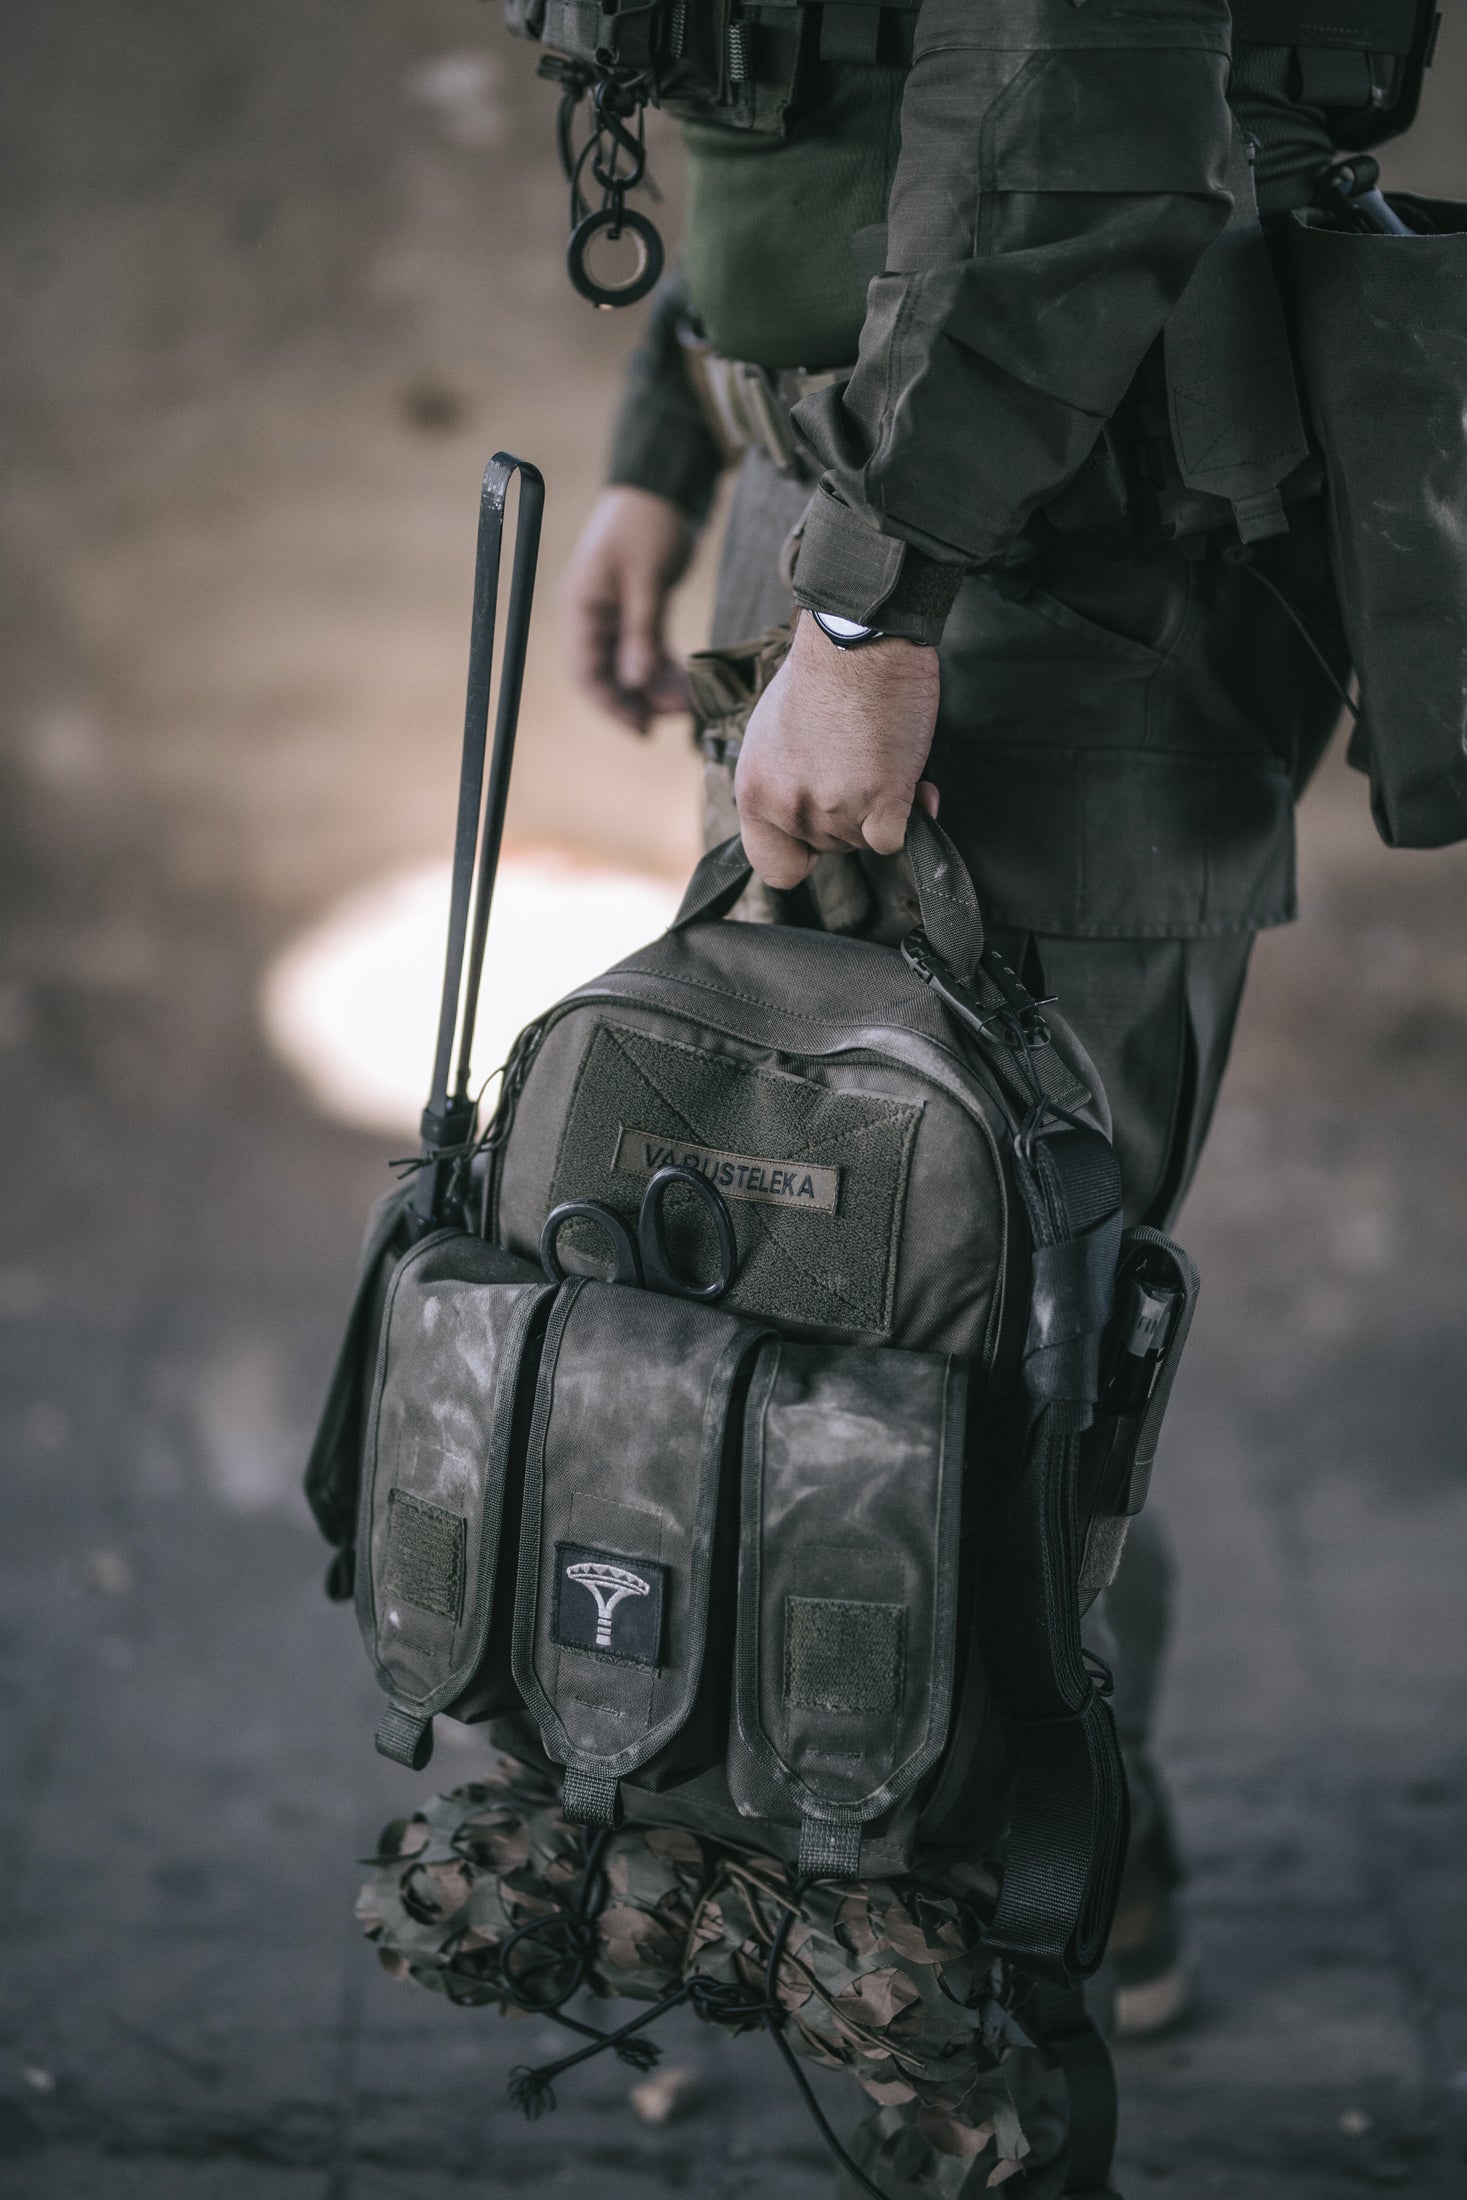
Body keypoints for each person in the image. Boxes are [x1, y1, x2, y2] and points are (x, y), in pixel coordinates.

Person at [550, 0, 1358, 2181]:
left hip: (1039, 552)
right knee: (843, 1341)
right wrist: (670, 436)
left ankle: (989, 2049)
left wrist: (875, 606)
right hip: (849, 519)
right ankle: (1083, 1868)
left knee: (972, 1384)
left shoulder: (926, 580)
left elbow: (1089, 114)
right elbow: (797, 102)